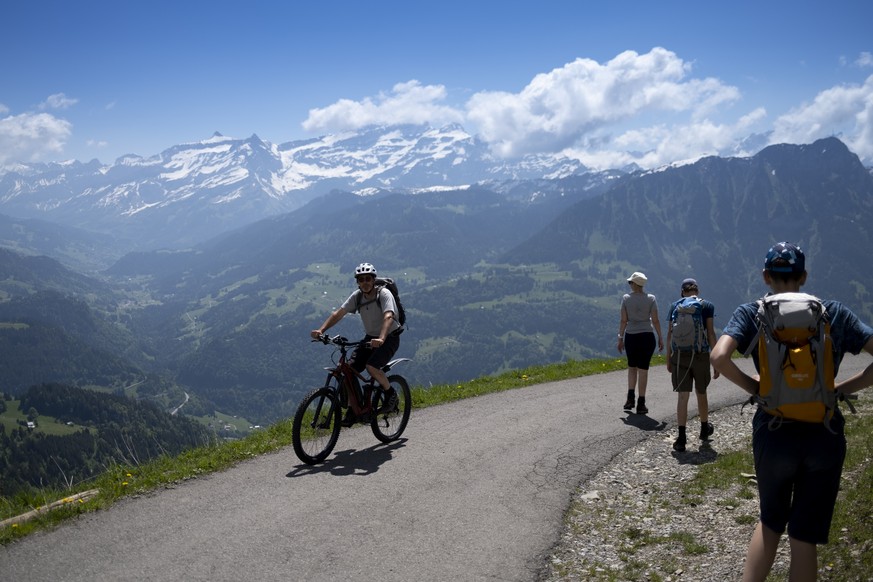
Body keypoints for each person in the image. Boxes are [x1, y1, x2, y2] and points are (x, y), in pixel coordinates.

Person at [710, 242, 873, 582]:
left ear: (766, 276)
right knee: (803, 534)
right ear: (804, 276)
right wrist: (839, 391)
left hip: (774, 429)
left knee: (770, 522)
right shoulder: (833, 313)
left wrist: (756, 388)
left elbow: (718, 358)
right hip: (824, 433)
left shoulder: (752, 313)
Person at [311, 262, 402, 423]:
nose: (365, 282)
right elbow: (338, 313)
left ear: (373, 280)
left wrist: (381, 338)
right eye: (361, 279)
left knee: (372, 366)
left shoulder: (384, 294)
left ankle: (390, 395)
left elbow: (388, 316)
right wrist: (321, 330)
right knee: (348, 370)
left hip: (389, 337)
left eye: (368, 278)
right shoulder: (357, 296)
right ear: (357, 282)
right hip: (370, 338)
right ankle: (355, 409)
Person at [665, 278, 719, 452]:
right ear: (698, 291)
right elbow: (710, 333)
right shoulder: (707, 306)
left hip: (680, 356)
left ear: (682, 292)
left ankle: (681, 438)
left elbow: (669, 335)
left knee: (683, 396)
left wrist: (668, 358)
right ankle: (704, 429)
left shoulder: (675, 306)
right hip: (701, 355)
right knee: (701, 392)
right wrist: (716, 360)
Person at [618, 271, 664, 414]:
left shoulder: (626, 299)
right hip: (647, 337)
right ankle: (641, 403)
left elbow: (624, 320)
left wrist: (620, 337)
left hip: (631, 336)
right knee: (643, 370)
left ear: (634, 284)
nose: (629, 284)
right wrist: (660, 337)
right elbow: (655, 320)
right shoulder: (651, 299)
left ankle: (630, 398)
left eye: (630, 282)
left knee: (632, 367)